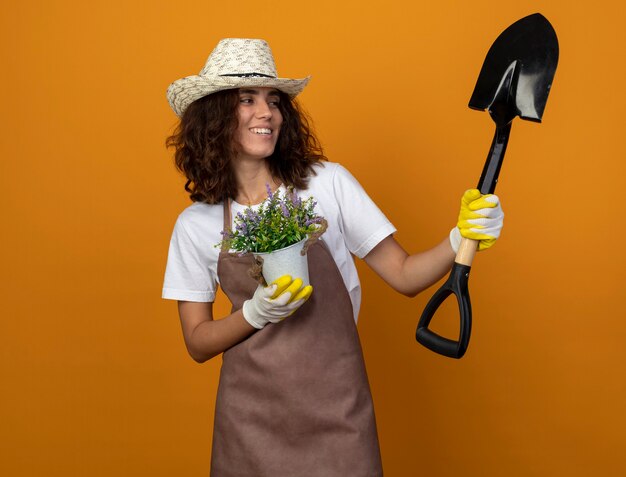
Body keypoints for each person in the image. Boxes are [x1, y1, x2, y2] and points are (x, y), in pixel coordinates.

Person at [162, 38, 504, 477]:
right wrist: (255, 312)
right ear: (213, 117)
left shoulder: (328, 185)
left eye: (273, 100)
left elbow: (404, 275)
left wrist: (460, 236)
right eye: (247, 100)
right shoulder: (197, 224)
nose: (266, 113)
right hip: (250, 422)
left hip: (338, 410)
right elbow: (197, 343)